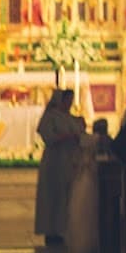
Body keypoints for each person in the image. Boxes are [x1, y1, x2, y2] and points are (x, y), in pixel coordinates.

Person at [34, 88, 85, 244]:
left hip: (68, 160)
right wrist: (66, 136)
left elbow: (80, 135)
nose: (69, 104)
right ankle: (51, 230)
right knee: (53, 195)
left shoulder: (69, 117)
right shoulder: (50, 117)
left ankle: (63, 229)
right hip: (54, 160)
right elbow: (48, 136)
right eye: (67, 100)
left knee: (66, 194)